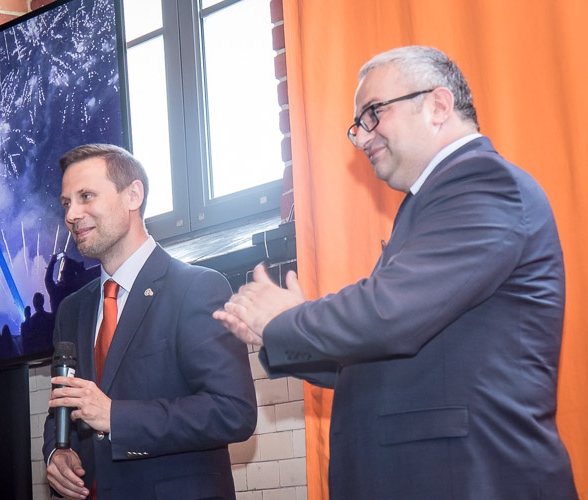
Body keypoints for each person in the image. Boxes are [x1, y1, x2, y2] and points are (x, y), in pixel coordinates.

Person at [214, 46, 578, 499]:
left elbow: (387, 315)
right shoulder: (431, 202)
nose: (362, 138)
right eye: (357, 125)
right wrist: (277, 333)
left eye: (373, 113)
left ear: (438, 106)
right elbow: (385, 356)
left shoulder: (484, 182)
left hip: (475, 479)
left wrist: (286, 320)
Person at [43, 143, 257, 499]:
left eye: (86, 196)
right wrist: (57, 452)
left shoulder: (197, 288)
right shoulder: (71, 310)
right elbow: (61, 408)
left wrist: (116, 417)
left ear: (133, 195)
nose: (72, 214)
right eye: (66, 203)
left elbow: (233, 412)